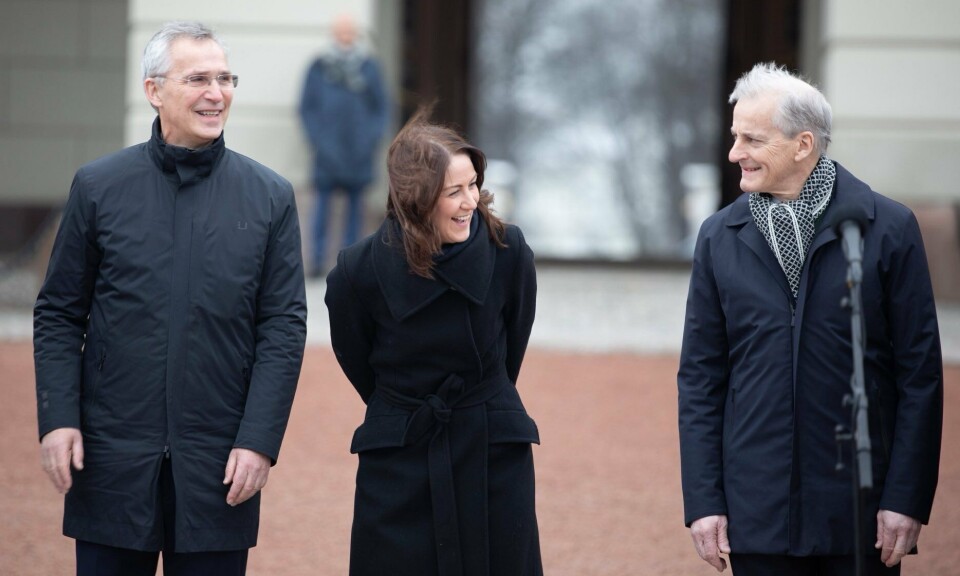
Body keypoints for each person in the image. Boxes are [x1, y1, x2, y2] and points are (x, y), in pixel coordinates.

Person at [33, 21, 307, 576]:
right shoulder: (98, 186)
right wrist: (57, 418)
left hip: (219, 465)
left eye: (225, 79)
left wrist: (259, 441)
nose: (216, 93)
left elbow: (283, 327)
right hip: (111, 459)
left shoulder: (270, 197)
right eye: (198, 79)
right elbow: (59, 313)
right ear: (154, 91)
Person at [678, 62, 943, 575]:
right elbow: (700, 379)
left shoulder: (889, 228)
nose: (734, 153)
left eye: (752, 139)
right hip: (756, 513)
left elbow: (920, 376)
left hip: (861, 516)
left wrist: (906, 497)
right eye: (735, 136)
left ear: (802, 145)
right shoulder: (717, 237)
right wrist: (704, 501)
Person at [324, 109, 543, 576]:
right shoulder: (356, 272)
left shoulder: (509, 253)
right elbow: (357, 358)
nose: (470, 202)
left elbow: (512, 348)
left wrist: (477, 403)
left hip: (491, 450)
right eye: (453, 191)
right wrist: (404, 405)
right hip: (400, 457)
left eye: (473, 185)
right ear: (417, 198)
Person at [299, 13, 390, 278]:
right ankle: (316, 262)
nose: (346, 38)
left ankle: (350, 265)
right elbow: (306, 107)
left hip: (359, 152)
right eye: (341, 33)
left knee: (355, 211)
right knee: (321, 208)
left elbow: (382, 108)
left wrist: (370, 139)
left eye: (350, 33)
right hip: (326, 153)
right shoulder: (318, 67)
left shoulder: (369, 67)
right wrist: (318, 139)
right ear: (334, 35)